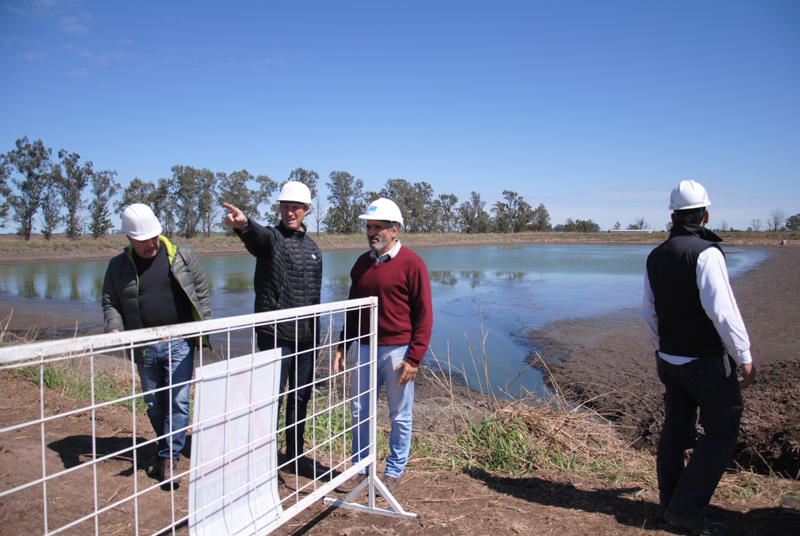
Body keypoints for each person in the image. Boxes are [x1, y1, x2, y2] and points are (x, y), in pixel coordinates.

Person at [643, 180, 756, 536]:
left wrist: (662, 350)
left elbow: (649, 313)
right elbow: (722, 312)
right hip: (705, 362)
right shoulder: (706, 254)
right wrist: (744, 356)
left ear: (674, 215)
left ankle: (669, 505)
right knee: (722, 434)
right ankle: (687, 511)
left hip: (670, 361)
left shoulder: (656, 255)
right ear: (705, 215)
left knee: (676, 428)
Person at [102, 203, 213, 485]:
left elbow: (200, 290)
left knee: (179, 400)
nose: (151, 244)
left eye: (154, 237)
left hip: (180, 341)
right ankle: (165, 449)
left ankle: (169, 459)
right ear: (128, 238)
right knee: (154, 402)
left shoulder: (182, 254)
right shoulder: (117, 267)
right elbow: (111, 302)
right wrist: (114, 328)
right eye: (143, 241)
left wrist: (205, 327)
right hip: (144, 345)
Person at [223, 181, 325, 483]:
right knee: (271, 399)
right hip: (275, 334)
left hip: (305, 338)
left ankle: (294, 457)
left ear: (307, 210)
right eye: (285, 206)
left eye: (296, 207)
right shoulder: (272, 239)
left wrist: (316, 339)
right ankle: (264, 461)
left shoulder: (314, 250)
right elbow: (258, 238)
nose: (290, 211)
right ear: (280, 208)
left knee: (300, 398)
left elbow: (315, 299)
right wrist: (243, 226)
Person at [334, 198, 433, 494]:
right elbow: (353, 309)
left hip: (398, 352)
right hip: (364, 349)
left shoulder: (412, 264)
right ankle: (361, 467)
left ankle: (393, 471)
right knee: (359, 410)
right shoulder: (362, 264)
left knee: (399, 414)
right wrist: (343, 345)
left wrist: (414, 358)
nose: (371, 232)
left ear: (395, 230)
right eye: (368, 226)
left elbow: (424, 315)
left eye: (378, 227)